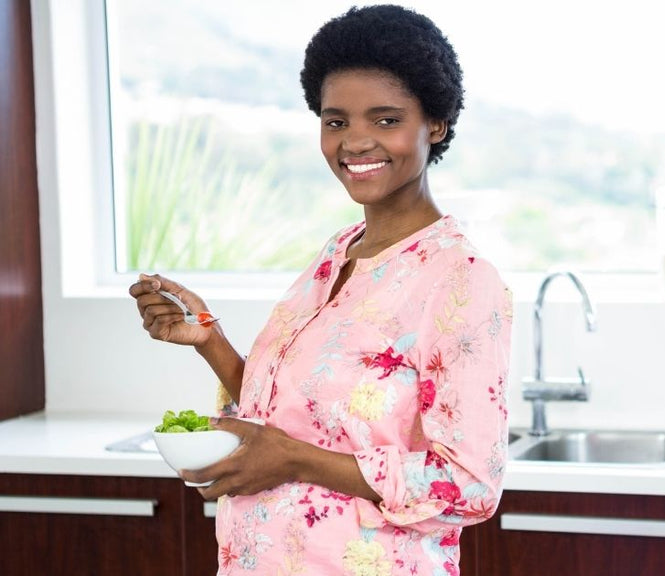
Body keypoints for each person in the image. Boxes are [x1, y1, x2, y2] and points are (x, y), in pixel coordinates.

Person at [128, 5, 513, 574]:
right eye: (336, 121)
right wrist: (207, 338)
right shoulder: (338, 253)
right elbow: (291, 418)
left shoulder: (461, 279)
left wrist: (296, 463)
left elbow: (470, 485)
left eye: (385, 120)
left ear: (436, 123)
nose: (355, 142)